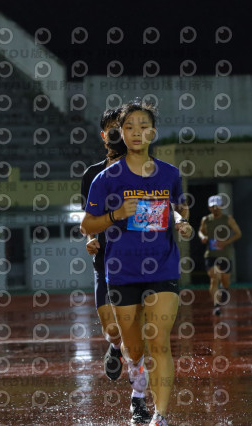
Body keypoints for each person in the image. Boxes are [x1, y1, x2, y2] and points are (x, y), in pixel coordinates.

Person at [81, 100, 193, 426]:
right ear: (120, 133)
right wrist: (116, 215)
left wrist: (182, 221)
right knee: (133, 347)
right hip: (121, 270)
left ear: (152, 132)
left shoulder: (170, 174)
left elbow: (177, 208)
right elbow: (88, 224)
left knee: (159, 342)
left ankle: (160, 416)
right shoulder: (104, 178)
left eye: (142, 126)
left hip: (163, 266)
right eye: (128, 127)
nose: (135, 132)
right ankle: (135, 381)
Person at [80, 107, 152, 423]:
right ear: (103, 135)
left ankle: (138, 399)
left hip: (136, 263)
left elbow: (152, 214)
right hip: (104, 263)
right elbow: (88, 219)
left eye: (119, 128)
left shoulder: (143, 170)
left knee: (137, 339)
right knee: (113, 331)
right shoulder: (91, 176)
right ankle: (113, 346)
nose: (115, 134)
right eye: (110, 129)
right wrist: (89, 238)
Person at [198, 194, 242, 315]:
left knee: (225, 280)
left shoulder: (228, 219)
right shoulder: (206, 220)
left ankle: (225, 288)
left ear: (221, 206)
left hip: (225, 255)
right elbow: (200, 231)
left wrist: (226, 242)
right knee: (214, 278)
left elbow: (238, 233)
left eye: (217, 206)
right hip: (211, 254)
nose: (215, 208)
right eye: (212, 206)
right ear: (209, 207)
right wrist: (203, 237)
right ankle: (216, 306)